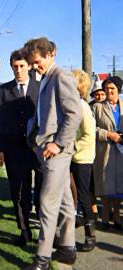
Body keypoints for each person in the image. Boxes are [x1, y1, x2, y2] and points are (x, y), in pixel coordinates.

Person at [24, 37, 82, 270]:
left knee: (47, 204)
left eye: (37, 62)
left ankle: (42, 260)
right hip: (48, 149)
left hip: (56, 151)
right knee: (66, 201)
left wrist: (57, 144)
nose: (34, 67)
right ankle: (67, 248)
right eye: (32, 63)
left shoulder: (61, 76)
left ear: (51, 55)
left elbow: (73, 115)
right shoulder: (47, 77)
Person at [0, 49, 42, 246]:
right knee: (19, 192)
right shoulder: (4, 91)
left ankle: (46, 232)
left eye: (22, 66)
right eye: (15, 66)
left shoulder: (41, 87)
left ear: (29, 66)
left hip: (39, 149)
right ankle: (24, 231)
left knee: (43, 191)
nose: (19, 70)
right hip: (14, 150)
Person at [92, 76, 123, 231]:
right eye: (107, 89)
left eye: (113, 89)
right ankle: (105, 217)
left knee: (119, 186)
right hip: (104, 151)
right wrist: (109, 135)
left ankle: (117, 217)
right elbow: (91, 128)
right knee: (105, 186)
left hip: (121, 153)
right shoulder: (97, 107)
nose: (109, 91)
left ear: (119, 90)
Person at [71, 69, 96, 251]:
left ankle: (90, 235)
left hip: (82, 159)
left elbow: (88, 135)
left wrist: (70, 149)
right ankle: (73, 222)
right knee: (71, 194)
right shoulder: (71, 104)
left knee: (84, 196)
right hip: (70, 157)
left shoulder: (83, 106)